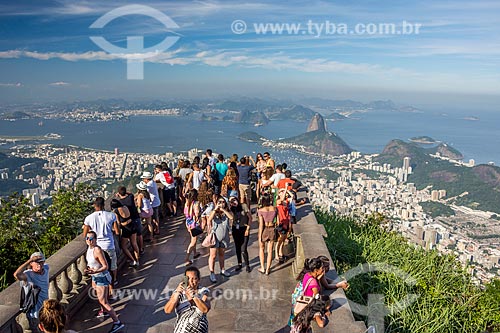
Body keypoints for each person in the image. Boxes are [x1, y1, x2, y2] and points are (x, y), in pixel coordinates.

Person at [84, 231, 124, 333]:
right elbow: (92, 262)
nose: (89, 240)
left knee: (103, 301)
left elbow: (105, 266)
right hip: (95, 276)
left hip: (101, 277)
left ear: (95, 239)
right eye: (87, 238)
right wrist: (89, 270)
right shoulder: (89, 248)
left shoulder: (97, 250)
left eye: (91, 238)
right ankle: (104, 311)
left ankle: (117, 322)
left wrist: (95, 271)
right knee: (100, 298)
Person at [83, 197, 120, 290]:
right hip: (109, 245)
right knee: (112, 265)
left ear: (95, 206)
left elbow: (85, 234)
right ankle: (114, 280)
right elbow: (117, 231)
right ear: (103, 205)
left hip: (96, 246)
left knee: (99, 266)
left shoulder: (88, 218)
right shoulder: (111, 216)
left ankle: (101, 285)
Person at [164, 266, 210, 333]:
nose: (191, 281)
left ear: (199, 280)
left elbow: (205, 309)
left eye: (194, 278)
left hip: (199, 329)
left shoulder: (203, 291)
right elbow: (167, 310)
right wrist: (177, 293)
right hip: (182, 328)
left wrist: (194, 296)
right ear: (184, 280)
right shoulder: (179, 293)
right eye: (188, 279)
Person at [14, 252, 50, 333]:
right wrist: (30, 260)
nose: (39, 265)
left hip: (46, 310)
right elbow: (16, 274)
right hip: (35, 314)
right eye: (37, 262)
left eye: (41, 262)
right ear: (31, 264)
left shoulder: (46, 268)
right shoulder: (28, 275)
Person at [207, 195, 233, 283]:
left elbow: (231, 217)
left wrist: (224, 210)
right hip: (215, 237)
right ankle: (212, 272)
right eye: (219, 202)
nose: (221, 204)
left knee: (222, 254)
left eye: (223, 202)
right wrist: (216, 209)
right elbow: (209, 219)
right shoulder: (213, 211)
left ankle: (222, 269)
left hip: (224, 237)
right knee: (213, 255)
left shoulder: (227, 212)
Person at [110, 199, 139, 268]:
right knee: (134, 243)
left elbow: (118, 223)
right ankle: (137, 259)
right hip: (132, 225)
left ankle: (133, 260)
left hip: (126, 229)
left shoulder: (116, 211)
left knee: (123, 246)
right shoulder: (125, 207)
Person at [115, 186, 144, 254]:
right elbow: (130, 193)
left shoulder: (120, 202)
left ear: (119, 193)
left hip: (129, 222)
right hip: (136, 218)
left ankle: (135, 253)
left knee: (131, 239)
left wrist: (118, 195)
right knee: (139, 234)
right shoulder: (130, 197)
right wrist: (124, 192)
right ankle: (141, 249)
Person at [229, 196, 252, 272]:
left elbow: (250, 217)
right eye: (231, 201)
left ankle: (247, 264)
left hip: (244, 228)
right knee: (237, 247)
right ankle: (239, 263)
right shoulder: (232, 208)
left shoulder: (243, 206)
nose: (233, 202)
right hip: (235, 229)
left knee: (243, 248)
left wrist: (248, 228)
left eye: (234, 200)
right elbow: (230, 216)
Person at [257, 193, 277, 275]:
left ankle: (262, 267)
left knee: (261, 249)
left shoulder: (260, 210)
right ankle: (268, 269)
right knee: (270, 251)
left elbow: (261, 224)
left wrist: (259, 235)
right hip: (272, 229)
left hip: (265, 229)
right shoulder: (274, 209)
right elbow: (277, 221)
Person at [184, 189, 202, 265]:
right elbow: (197, 214)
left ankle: (195, 253)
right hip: (194, 224)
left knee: (193, 238)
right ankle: (187, 258)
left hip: (188, 223)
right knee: (193, 241)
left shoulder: (187, 203)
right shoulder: (196, 203)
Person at [275, 189, 292, 264]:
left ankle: (281, 253)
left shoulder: (286, 202)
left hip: (286, 222)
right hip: (281, 222)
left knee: (283, 239)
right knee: (280, 239)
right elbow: (281, 199)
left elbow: (292, 196)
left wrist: (286, 190)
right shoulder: (278, 202)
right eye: (281, 193)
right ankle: (276, 255)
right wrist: (284, 189)